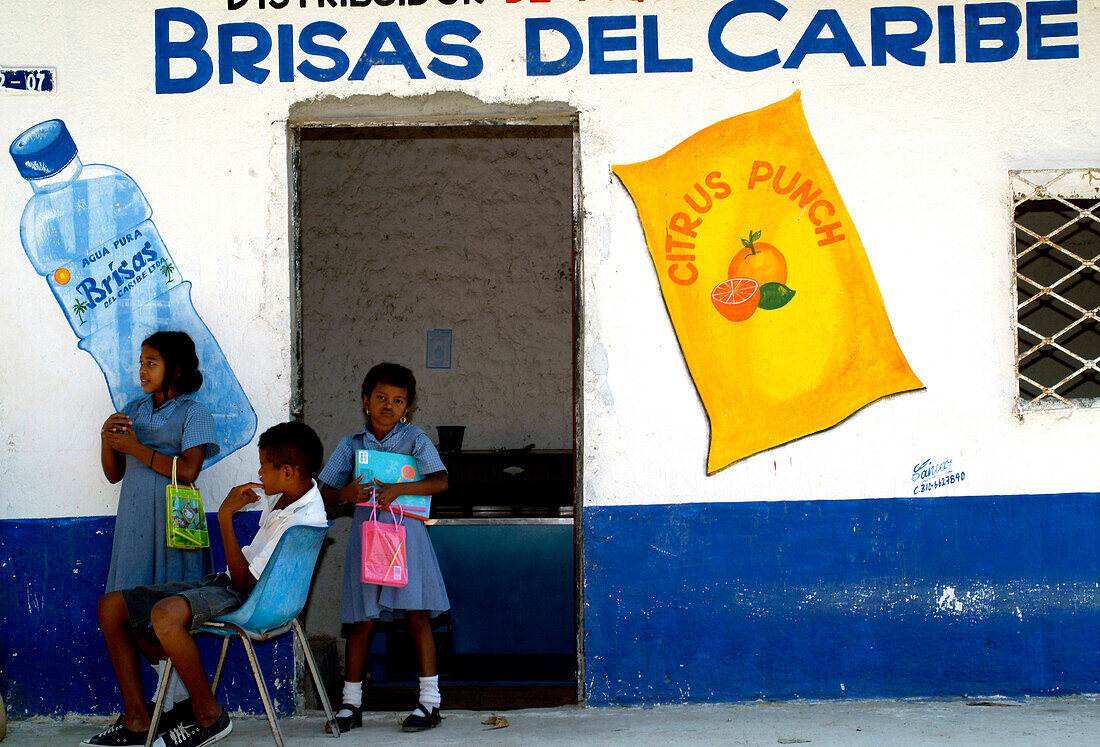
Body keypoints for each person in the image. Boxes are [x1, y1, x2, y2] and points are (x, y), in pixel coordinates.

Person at [81, 421, 328, 747]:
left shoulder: (299, 519)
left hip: (249, 595)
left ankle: (208, 715)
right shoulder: (295, 493)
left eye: (264, 467)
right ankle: (139, 719)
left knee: (164, 616)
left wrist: (225, 516)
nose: (259, 472)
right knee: (112, 606)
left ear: (287, 472)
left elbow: (245, 581)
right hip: (235, 584)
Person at [318, 363, 450, 733]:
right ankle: (350, 706)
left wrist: (400, 489)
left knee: (417, 617)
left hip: (407, 539)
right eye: (381, 398)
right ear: (365, 401)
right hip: (368, 542)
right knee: (363, 621)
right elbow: (322, 491)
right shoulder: (352, 445)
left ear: (408, 407)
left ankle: (429, 703)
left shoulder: (416, 440)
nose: (388, 406)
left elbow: (440, 483)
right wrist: (343, 494)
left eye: (398, 401)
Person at [100, 331, 220, 719]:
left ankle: (172, 699)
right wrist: (107, 439)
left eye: (152, 362)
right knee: (128, 610)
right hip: (135, 521)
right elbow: (114, 475)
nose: (142, 370)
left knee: (161, 611)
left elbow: (188, 470)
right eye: (141, 362)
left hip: (175, 524)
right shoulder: (131, 410)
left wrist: (136, 447)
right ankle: (175, 692)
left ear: (176, 369)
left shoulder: (193, 412)